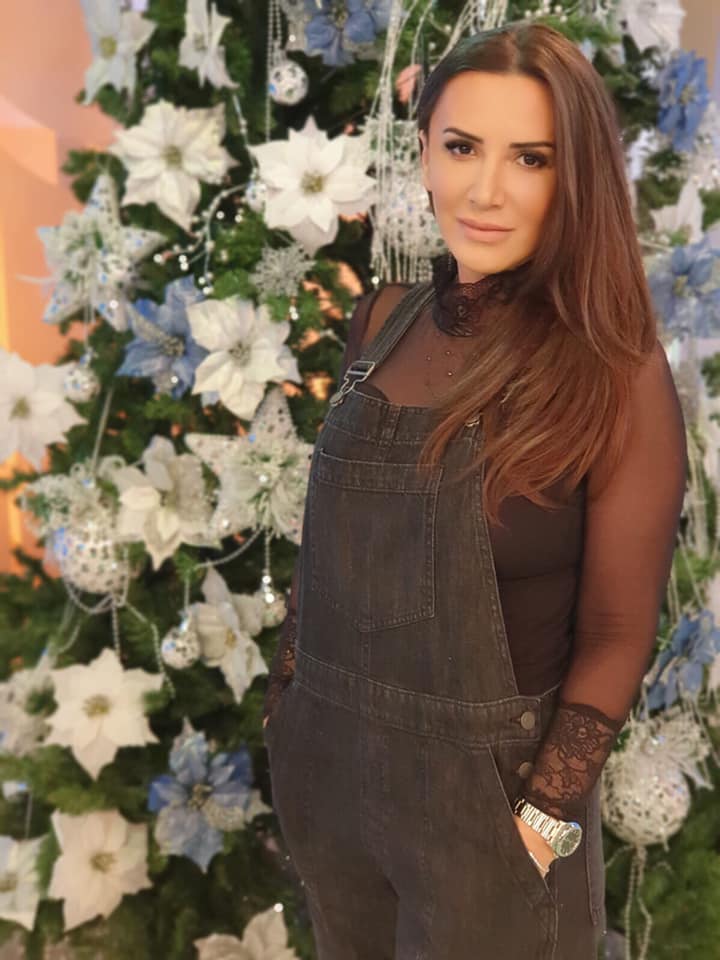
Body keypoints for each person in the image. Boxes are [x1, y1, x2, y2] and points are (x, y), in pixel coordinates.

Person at [262, 20, 688, 960]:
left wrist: (539, 826)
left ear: (575, 178)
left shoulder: (615, 372)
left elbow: (618, 631)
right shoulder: (381, 319)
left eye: (530, 159)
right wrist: (287, 703)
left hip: (490, 818)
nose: (486, 191)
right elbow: (330, 544)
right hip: (329, 782)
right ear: (424, 153)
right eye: (462, 148)